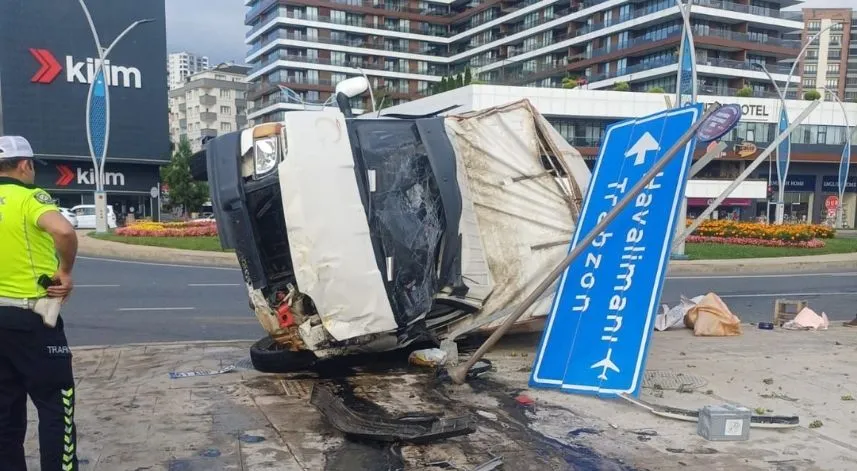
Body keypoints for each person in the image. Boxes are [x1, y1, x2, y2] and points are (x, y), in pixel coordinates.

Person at [0, 136, 79, 470]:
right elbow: (63, 231)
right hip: (32, 319)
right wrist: (65, 271)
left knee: (5, 415)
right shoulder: (29, 197)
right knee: (55, 407)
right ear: (24, 165)